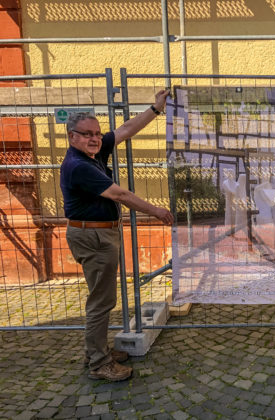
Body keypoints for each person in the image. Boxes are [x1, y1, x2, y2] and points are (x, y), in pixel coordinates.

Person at [61, 90, 174, 381]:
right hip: (93, 239)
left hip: (100, 236)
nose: (95, 138)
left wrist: (155, 108)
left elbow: (125, 130)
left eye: (97, 133)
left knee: (103, 298)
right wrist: (156, 210)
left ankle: (97, 352)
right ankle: (99, 363)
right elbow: (120, 194)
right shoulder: (79, 166)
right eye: (87, 134)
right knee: (101, 302)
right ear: (72, 137)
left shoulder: (94, 153)